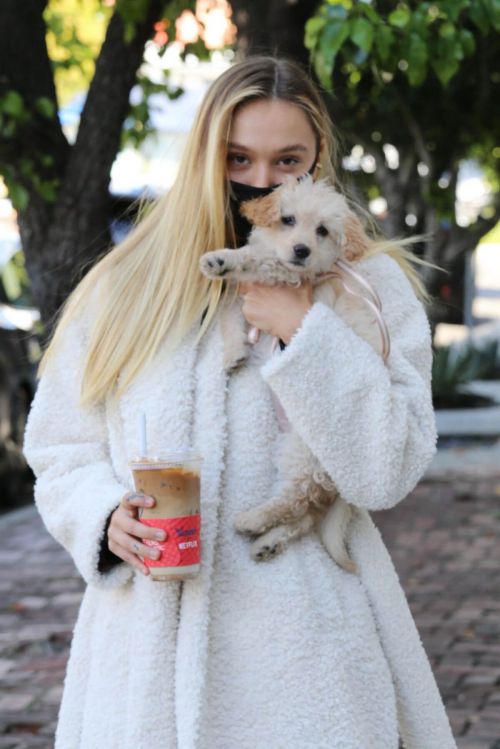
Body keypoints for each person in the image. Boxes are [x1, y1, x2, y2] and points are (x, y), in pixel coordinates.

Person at [23, 55, 457, 749]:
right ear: (205, 157)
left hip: (310, 662)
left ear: (318, 160)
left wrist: (303, 331)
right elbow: (59, 444)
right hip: (146, 660)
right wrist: (102, 517)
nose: (259, 180)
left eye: (288, 160)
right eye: (238, 158)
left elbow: (387, 469)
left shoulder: (365, 288)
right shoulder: (128, 284)